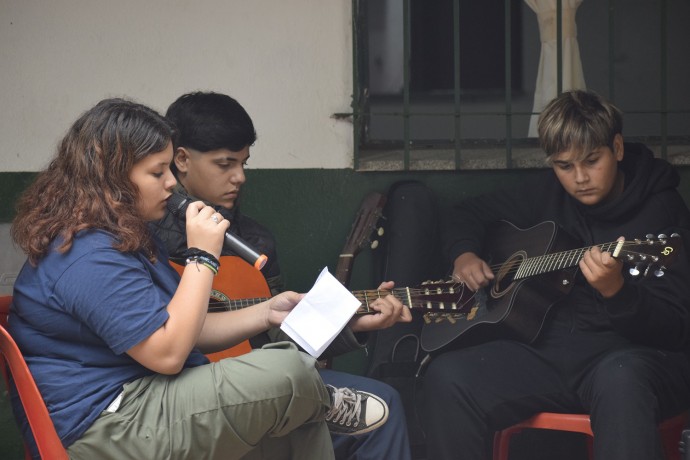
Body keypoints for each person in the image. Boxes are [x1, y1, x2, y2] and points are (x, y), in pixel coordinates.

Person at [8, 98, 387, 460]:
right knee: (289, 371)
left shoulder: (123, 236)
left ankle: (311, 400)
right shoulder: (84, 254)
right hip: (108, 425)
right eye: (157, 172)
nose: (171, 182)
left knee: (294, 425)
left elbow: (182, 330)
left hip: (146, 404)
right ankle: (317, 395)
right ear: (111, 178)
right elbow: (169, 354)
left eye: (170, 168)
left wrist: (267, 311)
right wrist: (202, 255)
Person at [424, 89, 690, 460]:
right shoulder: (547, 193)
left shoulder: (660, 210)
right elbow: (463, 213)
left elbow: (676, 328)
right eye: (565, 166)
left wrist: (618, 294)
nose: (580, 178)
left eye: (592, 160)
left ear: (617, 147)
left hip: (632, 358)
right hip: (550, 353)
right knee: (448, 378)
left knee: (621, 379)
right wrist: (463, 254)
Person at [152, 91, 414, 460]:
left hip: (257, 378)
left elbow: (280, 339)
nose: (239, 176)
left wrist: (355, 326)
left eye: (243, 162)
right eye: (225, 164)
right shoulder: (147, 238)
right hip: (183, 393)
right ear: (181, 159)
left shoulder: (255, 240)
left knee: (383, 404)